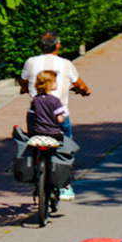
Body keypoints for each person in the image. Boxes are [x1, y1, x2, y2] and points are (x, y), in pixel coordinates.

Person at [20, 31, 90, 201]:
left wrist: (25, 89)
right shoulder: (66, 64)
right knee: (65, 146)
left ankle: (36, 171)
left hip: (35, 117)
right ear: (58, 45)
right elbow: (79, 84)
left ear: (39, 47)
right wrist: (84, 91)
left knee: (34, 140)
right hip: (58, 118)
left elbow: (23, 83)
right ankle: (66, 185)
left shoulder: (30, 63)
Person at [27, 71, 66, 137]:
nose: (57, 83)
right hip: (54, 133)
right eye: (55, 81)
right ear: (49, 84)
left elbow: (31, 115)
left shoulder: (36, 99)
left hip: (38, 132)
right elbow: (60, 119)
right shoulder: (55, 100)